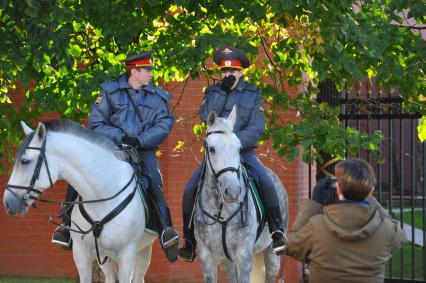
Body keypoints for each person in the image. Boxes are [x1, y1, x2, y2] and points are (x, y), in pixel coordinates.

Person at [51, 50, 180, 263]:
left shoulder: (158, 97)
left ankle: (166, 231)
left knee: (154, 182)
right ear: (134, 71)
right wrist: (121, 137)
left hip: (142, 150)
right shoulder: (109, 92)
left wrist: (140, 140)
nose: (151, 73)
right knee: (79, 173)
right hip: (110, 149)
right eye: (147, 69)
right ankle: (66, 225)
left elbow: (165, 124)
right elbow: (96, 122)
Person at [178, 46, 287, 262]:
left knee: (266, 182)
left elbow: (257, 128)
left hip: (243, 152)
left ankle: (276, 232)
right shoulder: (212, 92)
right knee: (190, 188)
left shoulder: (253, 94)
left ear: (241, 72)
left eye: (233, 72)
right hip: (217, 157)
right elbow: (205, 116)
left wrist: (233, 143)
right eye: (224, 72)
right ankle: (190, 240)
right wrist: (222, 92)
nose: (228, 75)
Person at [285, 158, 406, 283]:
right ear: (371, 190)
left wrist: (315, 203)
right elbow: (400, 238)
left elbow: (291, 246)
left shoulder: (317, 226)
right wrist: (367, 196)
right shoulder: (386, 230)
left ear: (338, 189)